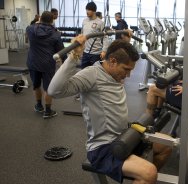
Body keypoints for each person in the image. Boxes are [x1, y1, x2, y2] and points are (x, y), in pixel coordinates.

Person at [48, 36, 172, 183]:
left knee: (167, 144)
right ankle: (143, 176)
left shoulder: (114, 73)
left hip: (125, 134)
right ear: (112, 61)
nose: (128, 75)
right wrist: (74, 56)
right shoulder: (92, 74)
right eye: (126, 69)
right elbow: (54, 91)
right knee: (149, 173)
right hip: (103, 147)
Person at [26, 11, 65, 119]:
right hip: (47, 64)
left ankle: (39, 106)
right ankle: (47, 111)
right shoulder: (56, 34)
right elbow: (61, 51)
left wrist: (38, 22)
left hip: (33, 62)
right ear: (52, 21)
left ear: (40, 19)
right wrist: (65, 62)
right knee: (48, 88)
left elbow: (32, 25)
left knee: (36, 85)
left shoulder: (30, 29)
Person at [80, 1, 109, 69]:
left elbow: (105, 37)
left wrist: (104, 51)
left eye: (89, 10)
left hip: (95, 54)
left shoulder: (100, 23)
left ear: (94, 11)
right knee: (83, 73)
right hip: (85, 52)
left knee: (95, 74)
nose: (87, 11)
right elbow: (82, 34)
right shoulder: (84, 21)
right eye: (86, 9)